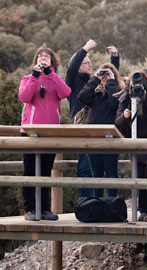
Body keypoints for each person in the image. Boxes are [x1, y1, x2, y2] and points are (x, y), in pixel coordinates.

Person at [18, 43, 71, 221]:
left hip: (50, 132)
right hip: (30, 132)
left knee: (45, 172)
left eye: (46, 56)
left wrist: (50, 74)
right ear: (35, 60)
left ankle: (45, 209)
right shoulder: (27, 78)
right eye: (40, 55)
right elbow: (24, 97)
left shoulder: (55, 80)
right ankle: (30, 210)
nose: (42, 57)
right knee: (30, 171)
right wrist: (35, 75)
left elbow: (65, 92)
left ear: (52, 61)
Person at [65, 39, 119, 197]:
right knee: (85, 168)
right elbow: (71, 68)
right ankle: (86, 203)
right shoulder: (73, 81)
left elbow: (111, 81)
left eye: (90, 62)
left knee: (97, 170)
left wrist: (114, 59)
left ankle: (98, 203)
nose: (90, 65)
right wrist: (85, 49)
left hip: (96, 129)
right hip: (82, 129)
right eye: (85, 62)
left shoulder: (92, 82)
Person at [115, 71, 147, 222]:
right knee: (139, 177)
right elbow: (117, 122)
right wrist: (125, 116)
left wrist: (146, 96)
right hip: (136, 144)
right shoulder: (125, 97)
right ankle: (143, 209)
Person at [77, 63, 123, 197]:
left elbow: (114, 104)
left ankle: (112, 204)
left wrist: (111, 82)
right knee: (96, 173)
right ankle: (97, 204)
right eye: (102, 73)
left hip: (111, 137)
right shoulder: (94, 91)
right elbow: (82, 97)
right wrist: (95, 79)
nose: (104, 76)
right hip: (94, 137)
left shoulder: (118, 89)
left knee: (111, 173)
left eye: (107, 73)